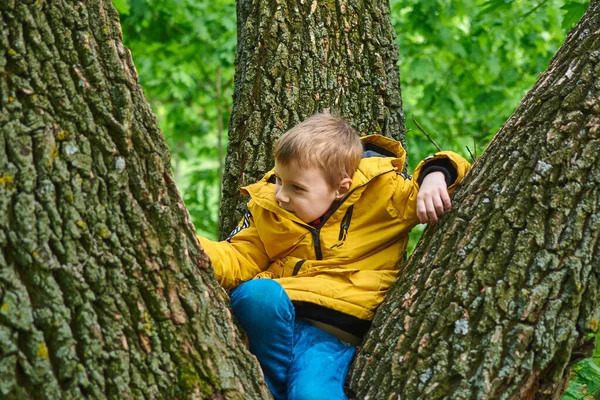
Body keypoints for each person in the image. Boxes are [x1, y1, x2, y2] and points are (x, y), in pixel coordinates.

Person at [198, 113, 470, 400]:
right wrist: (193, 247)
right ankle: (273, 388)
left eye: (296, 188)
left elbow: (451, 168)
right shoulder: (269, 209)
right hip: (280, 321)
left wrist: (436, 176)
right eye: (279, 179)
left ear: (341, 187)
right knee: (256, 295)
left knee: (311, 392)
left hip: (333, 335)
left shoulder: (383, 194)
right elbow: (238, 256)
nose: (281, 195)